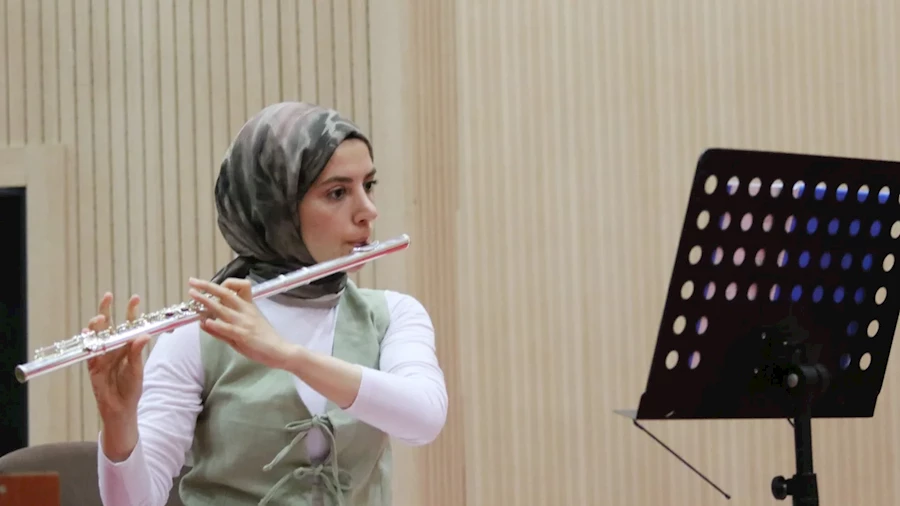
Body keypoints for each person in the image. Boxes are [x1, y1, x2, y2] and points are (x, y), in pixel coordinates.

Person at [86, 102, 448, 506]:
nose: (368, 211)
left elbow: (425, 418)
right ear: (276, 207)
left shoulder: (393, 315)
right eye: (338, 192)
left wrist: (289, 356)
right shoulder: (198, 332)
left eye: (369, 185)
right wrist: (118, 421)